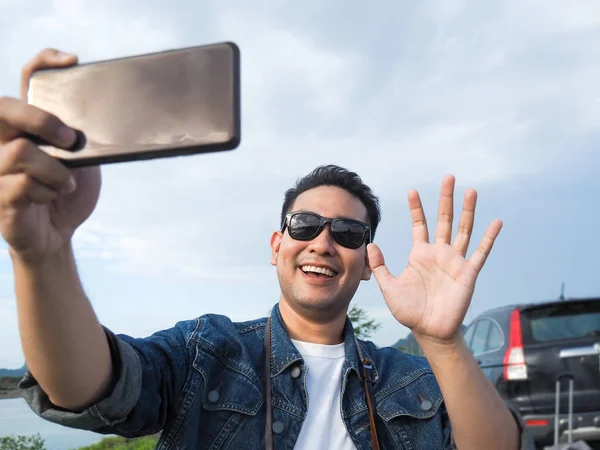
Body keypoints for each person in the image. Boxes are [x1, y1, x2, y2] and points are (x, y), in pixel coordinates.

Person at [0, 49, 535, 450]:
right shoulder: (207, 352)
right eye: (305, 225)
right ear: (277, 245)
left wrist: (441, 341)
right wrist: (42, 255)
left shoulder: (411, 376)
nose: (323, 242)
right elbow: (86, 388)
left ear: (369, 264)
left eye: (348, 234)